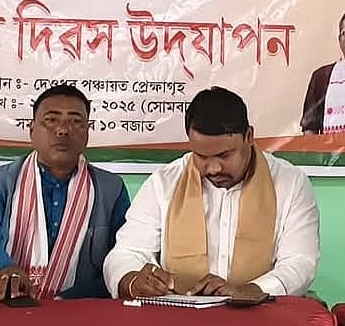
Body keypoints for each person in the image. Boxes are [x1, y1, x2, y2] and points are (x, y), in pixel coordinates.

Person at [104, 87, 319, 298]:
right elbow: (126, 253)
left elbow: (300, 262)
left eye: (224, 155)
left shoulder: (290, 184)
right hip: (178, 317)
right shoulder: (163, 183)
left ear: (249, 136)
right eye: (201, 156)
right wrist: (133, 282)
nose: (213, 168)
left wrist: (252, 290)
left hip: (261, 315)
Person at [0, 85, 129, 300]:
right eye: (51, 120)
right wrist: (4, 270)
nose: (63, 130)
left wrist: (69, 300)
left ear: (87, 132)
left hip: (76, 309)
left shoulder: (111, 190)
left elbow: (120, 257)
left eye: (76, 121)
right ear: (31, 130)